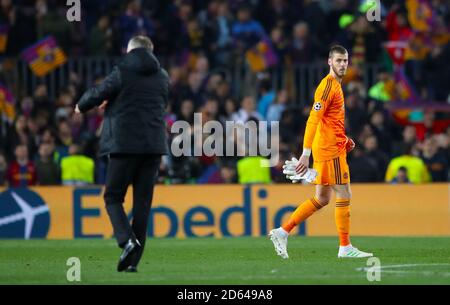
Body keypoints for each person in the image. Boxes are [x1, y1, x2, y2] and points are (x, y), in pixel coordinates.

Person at [75, 36, 169, 272]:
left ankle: (127, 241)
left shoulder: (122, 71)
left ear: (130, 50)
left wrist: (81, 105)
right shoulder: (163, 77)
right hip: (153, 147)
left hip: (125, 145)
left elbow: (99, 92)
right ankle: (132, 263)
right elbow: (151, 103)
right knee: (142, 205)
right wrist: (117, 101)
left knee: (113, 197)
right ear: (151, 51)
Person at [269, 45, 373, 259]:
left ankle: (283, 231)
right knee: (344, 193)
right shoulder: (327, 87)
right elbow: (313, 119)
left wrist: (344, 140)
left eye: (345, 60)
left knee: (322, 198)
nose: (343, 64)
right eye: (338, 61)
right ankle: (345, 247)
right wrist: (305, 154)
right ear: (329, 62)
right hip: (329, 151)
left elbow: (330, 122)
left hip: (332, 146)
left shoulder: (336, 85)